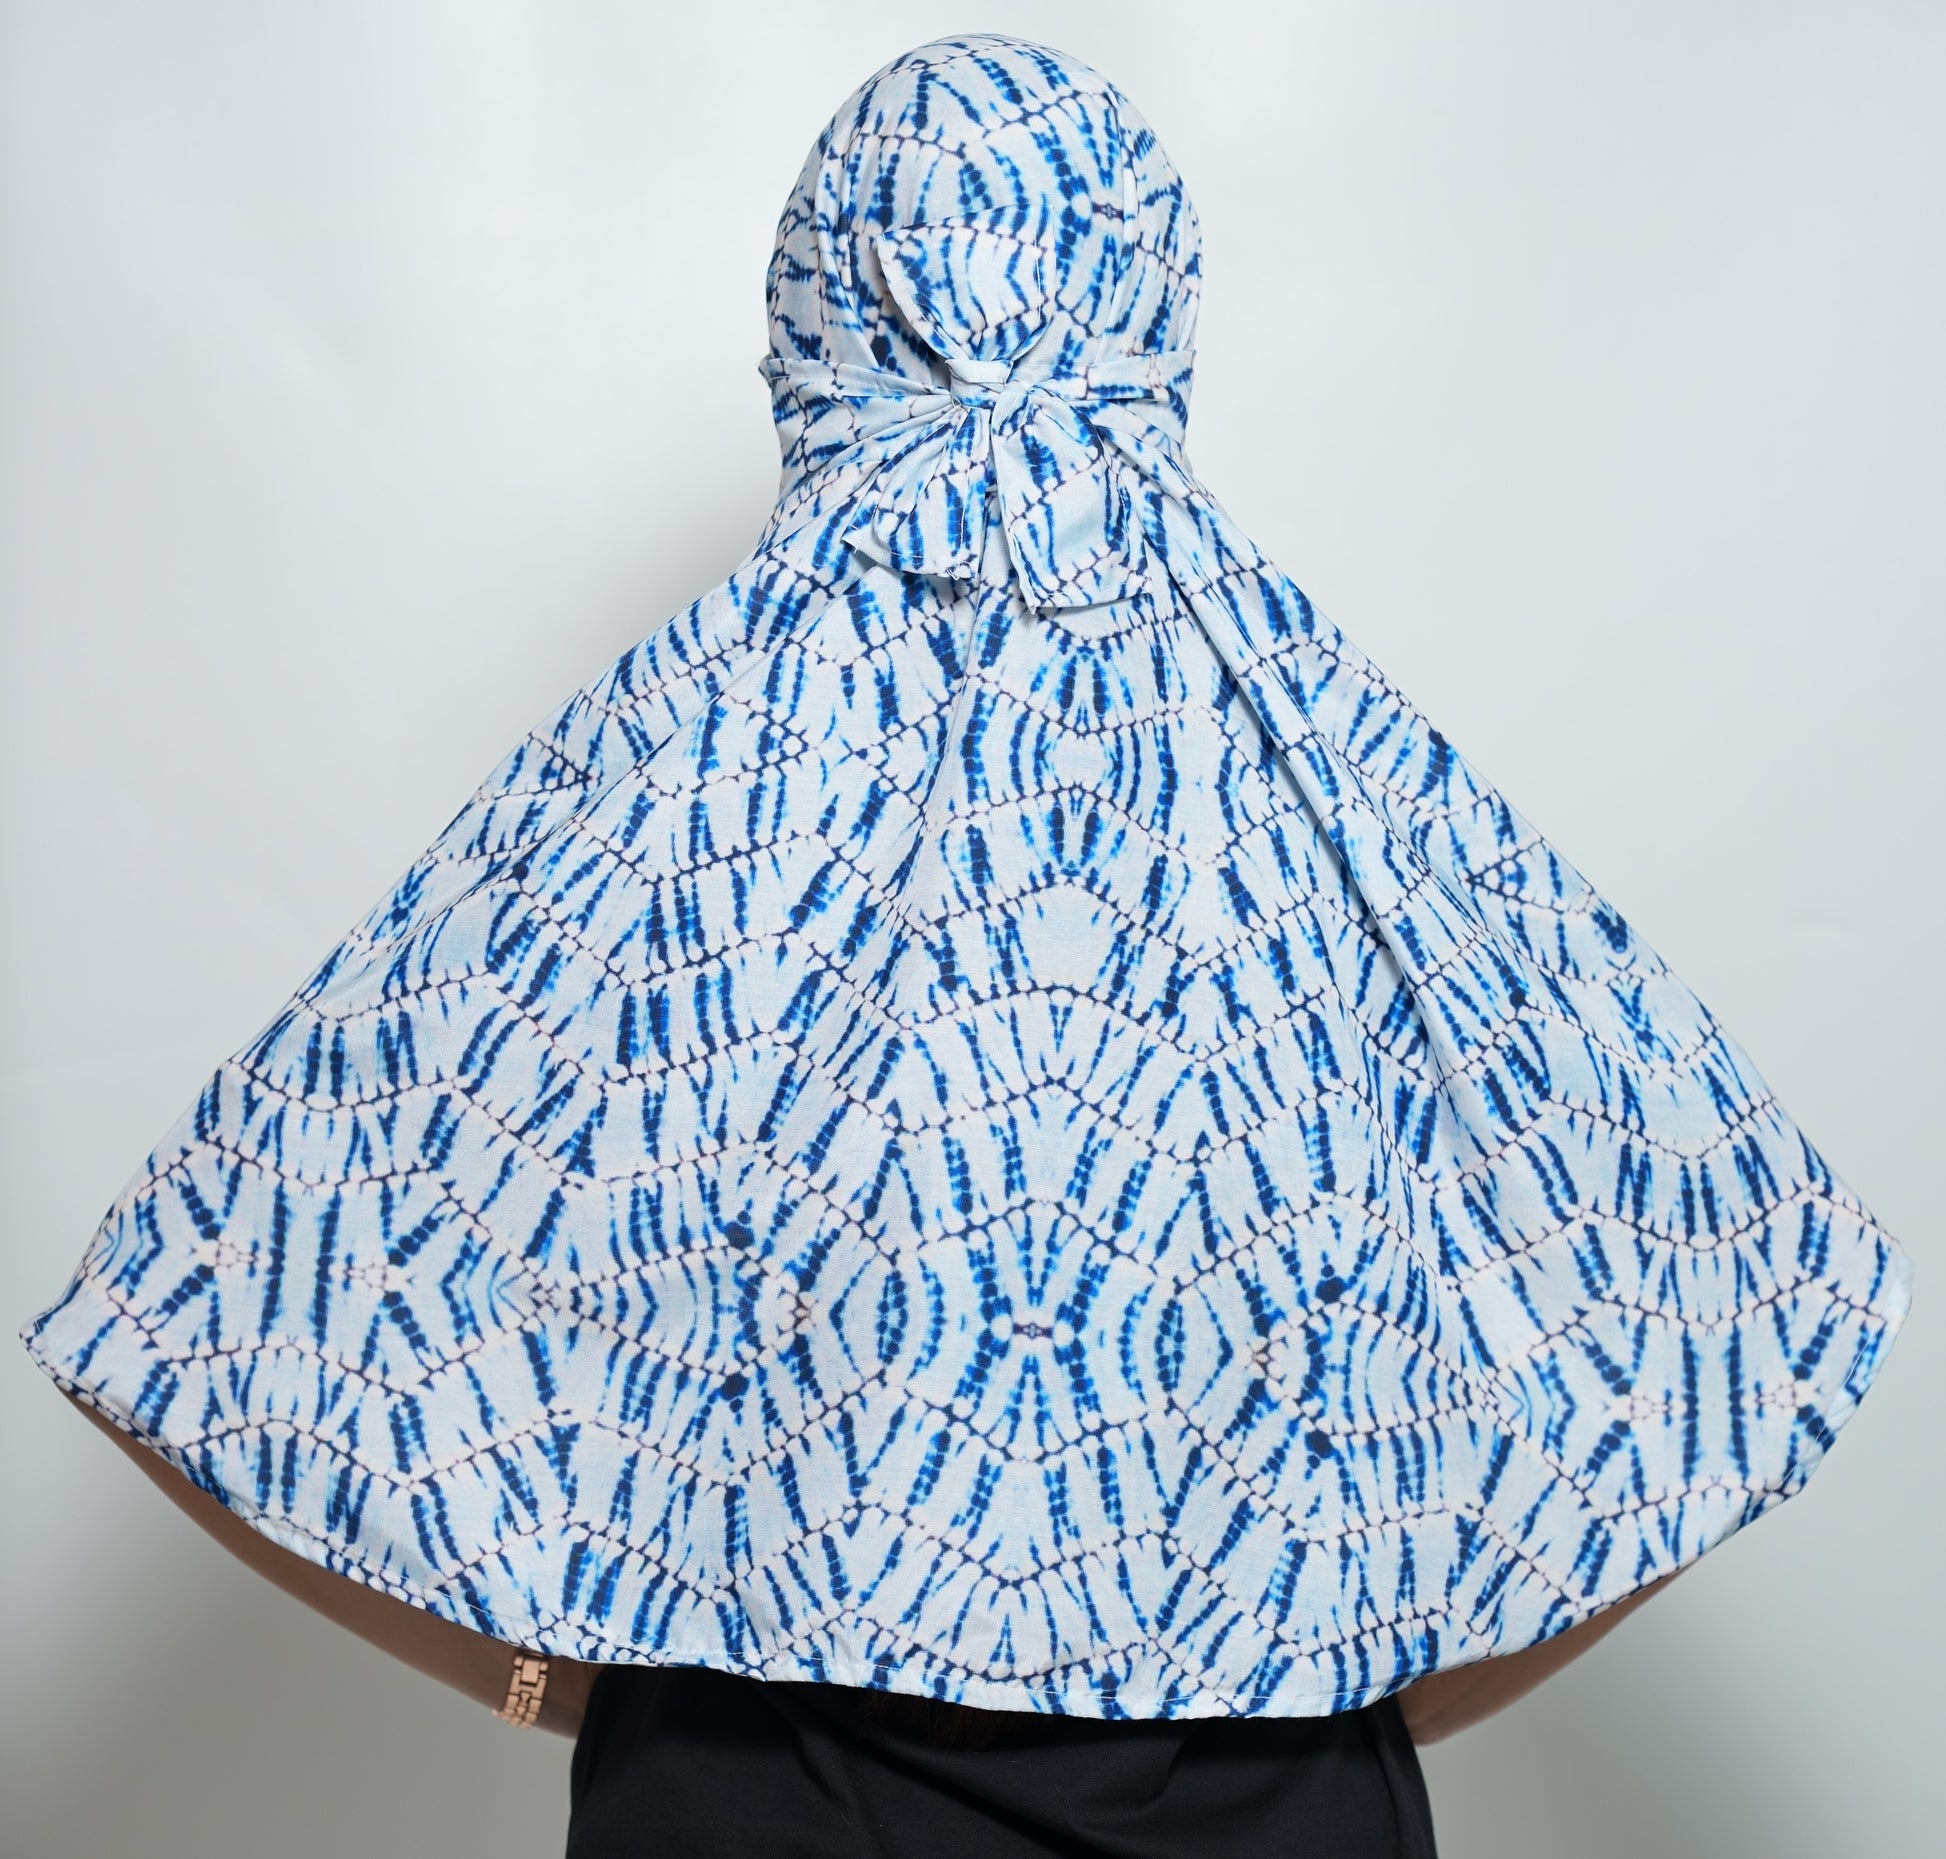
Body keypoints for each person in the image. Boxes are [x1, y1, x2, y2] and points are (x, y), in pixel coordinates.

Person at [27, 34, 1908, 1858]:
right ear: (1155, 308)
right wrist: (1357, 1717)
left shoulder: (660, 779)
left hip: (747, 1805)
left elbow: (194, 1325)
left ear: (813, 317)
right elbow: (1748, 1315)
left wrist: (561, 1690)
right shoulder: (1345, 774)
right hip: (1270, 1809)